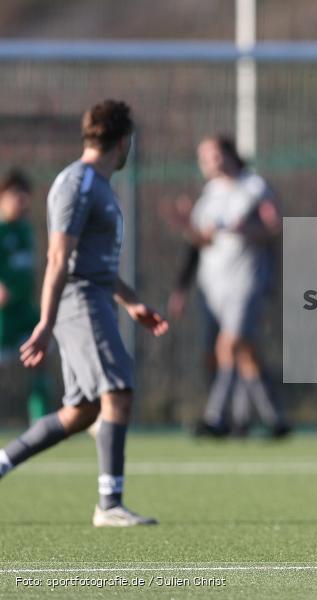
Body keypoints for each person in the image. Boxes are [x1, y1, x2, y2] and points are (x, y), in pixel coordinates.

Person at [2, 99, 169, 527]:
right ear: (123, 140)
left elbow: (96, 265)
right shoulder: (77, 183)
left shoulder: (97, 184)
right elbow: (60, 259)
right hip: (80, 304)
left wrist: (131, 301)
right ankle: (109, 505)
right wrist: (45, 321)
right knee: (119, 389)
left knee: (83, 411)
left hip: (94, 299)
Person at [167, 135, 288, 438]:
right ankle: (272, 420)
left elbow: (274, 227)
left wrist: (249, 229)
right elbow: (202, 242)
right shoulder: (208, 194)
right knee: (243, 352)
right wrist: (186, 228)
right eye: (202, 158)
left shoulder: (254, 187)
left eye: (210, 156)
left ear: (226, 155)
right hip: (212, 286)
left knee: (229, 345)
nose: (205, 163)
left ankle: (215, 418)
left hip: (246, 280)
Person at [0, 169, 51, 424]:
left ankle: (41, 422)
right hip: (2, 319)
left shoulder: (25, 231)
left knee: (41, 357)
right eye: (15, 195)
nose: (21, 201)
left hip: (24, 315)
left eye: (25, 195)